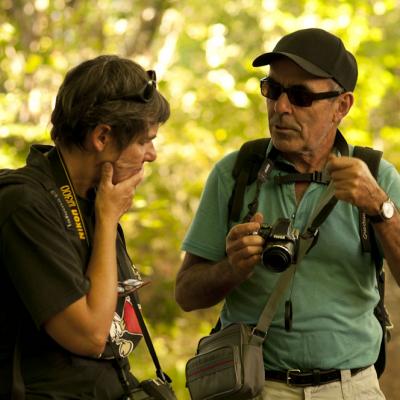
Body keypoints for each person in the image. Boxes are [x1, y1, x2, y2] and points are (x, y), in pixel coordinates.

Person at [175, 28, 400, 399]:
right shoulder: (236, 172)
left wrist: (380, 208)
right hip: (253, 386)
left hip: (349, 387)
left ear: (341, 106)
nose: (281, 107)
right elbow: (186, 294)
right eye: (273, 90)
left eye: (300, 96)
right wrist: (230, 268)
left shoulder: (377, 176)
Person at [0, 55, 170, 399]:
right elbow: (91, 335)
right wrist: (107, 222)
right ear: (102, 136)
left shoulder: (93, 199)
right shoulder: (24, 204)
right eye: (144, 141)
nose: (151, 154)